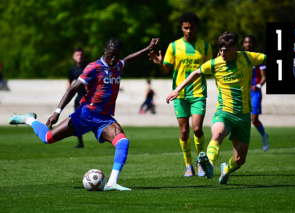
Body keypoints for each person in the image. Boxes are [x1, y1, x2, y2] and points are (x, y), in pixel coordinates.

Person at [9, 37, 160, 191]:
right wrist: (57, 112)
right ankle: (28, 119)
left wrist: (148, 48)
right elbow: (72, 89)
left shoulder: (118, 65)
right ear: (105, 52)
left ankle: (112, 183)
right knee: (48, 138)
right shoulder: (93, 67)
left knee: (123, 142)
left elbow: (128, 60)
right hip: (85, 115)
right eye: (111, 55)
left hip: (104, 119)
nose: (114, 58)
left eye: (117, 55)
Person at [166, 31, 266, 184]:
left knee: (240, 160)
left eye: (226, 50)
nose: (222, 53)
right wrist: (177, 89)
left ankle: (226, 170)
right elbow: (195, 73)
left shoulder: (247, 57)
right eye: (220, 50)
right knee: (217, 134)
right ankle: (209, 164)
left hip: (244, 115)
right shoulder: (215, 63)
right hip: (224, 112)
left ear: (235, 48)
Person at [149, 13, 212, 177]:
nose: (189, 30)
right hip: (179, 95)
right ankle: (188, 165)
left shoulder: (205, 47)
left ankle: (200, 161)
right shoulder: (174, 46)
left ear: (196, 27)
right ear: (181, 28)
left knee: (197, 129)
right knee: (184, 132)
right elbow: (166, 70)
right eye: (186, 28)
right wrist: (159, 64)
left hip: (198, 93)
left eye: (191, 27)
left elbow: (210, 70)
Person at [242, 35, 269, 151]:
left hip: (254, 92)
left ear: (253, 44)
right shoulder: (239, 57)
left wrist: (258, 86)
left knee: (254, 119)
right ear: (243, 44)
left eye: (250, 42)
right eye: (246, 42)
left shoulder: (258, 58)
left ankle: (263, 136)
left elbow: (264, 77)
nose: (248, 44)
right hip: (243, 91)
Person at [67, 47, 88, 148]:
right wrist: (68, 93)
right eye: (77, 55)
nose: (79, 57)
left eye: (81, 55)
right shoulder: (72, 69)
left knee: (93, 119)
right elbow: (69, 82)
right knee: (76, 120)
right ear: (73, 57)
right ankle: (80, 143)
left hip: (90, 98)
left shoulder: (89, 67)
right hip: (79, 98)